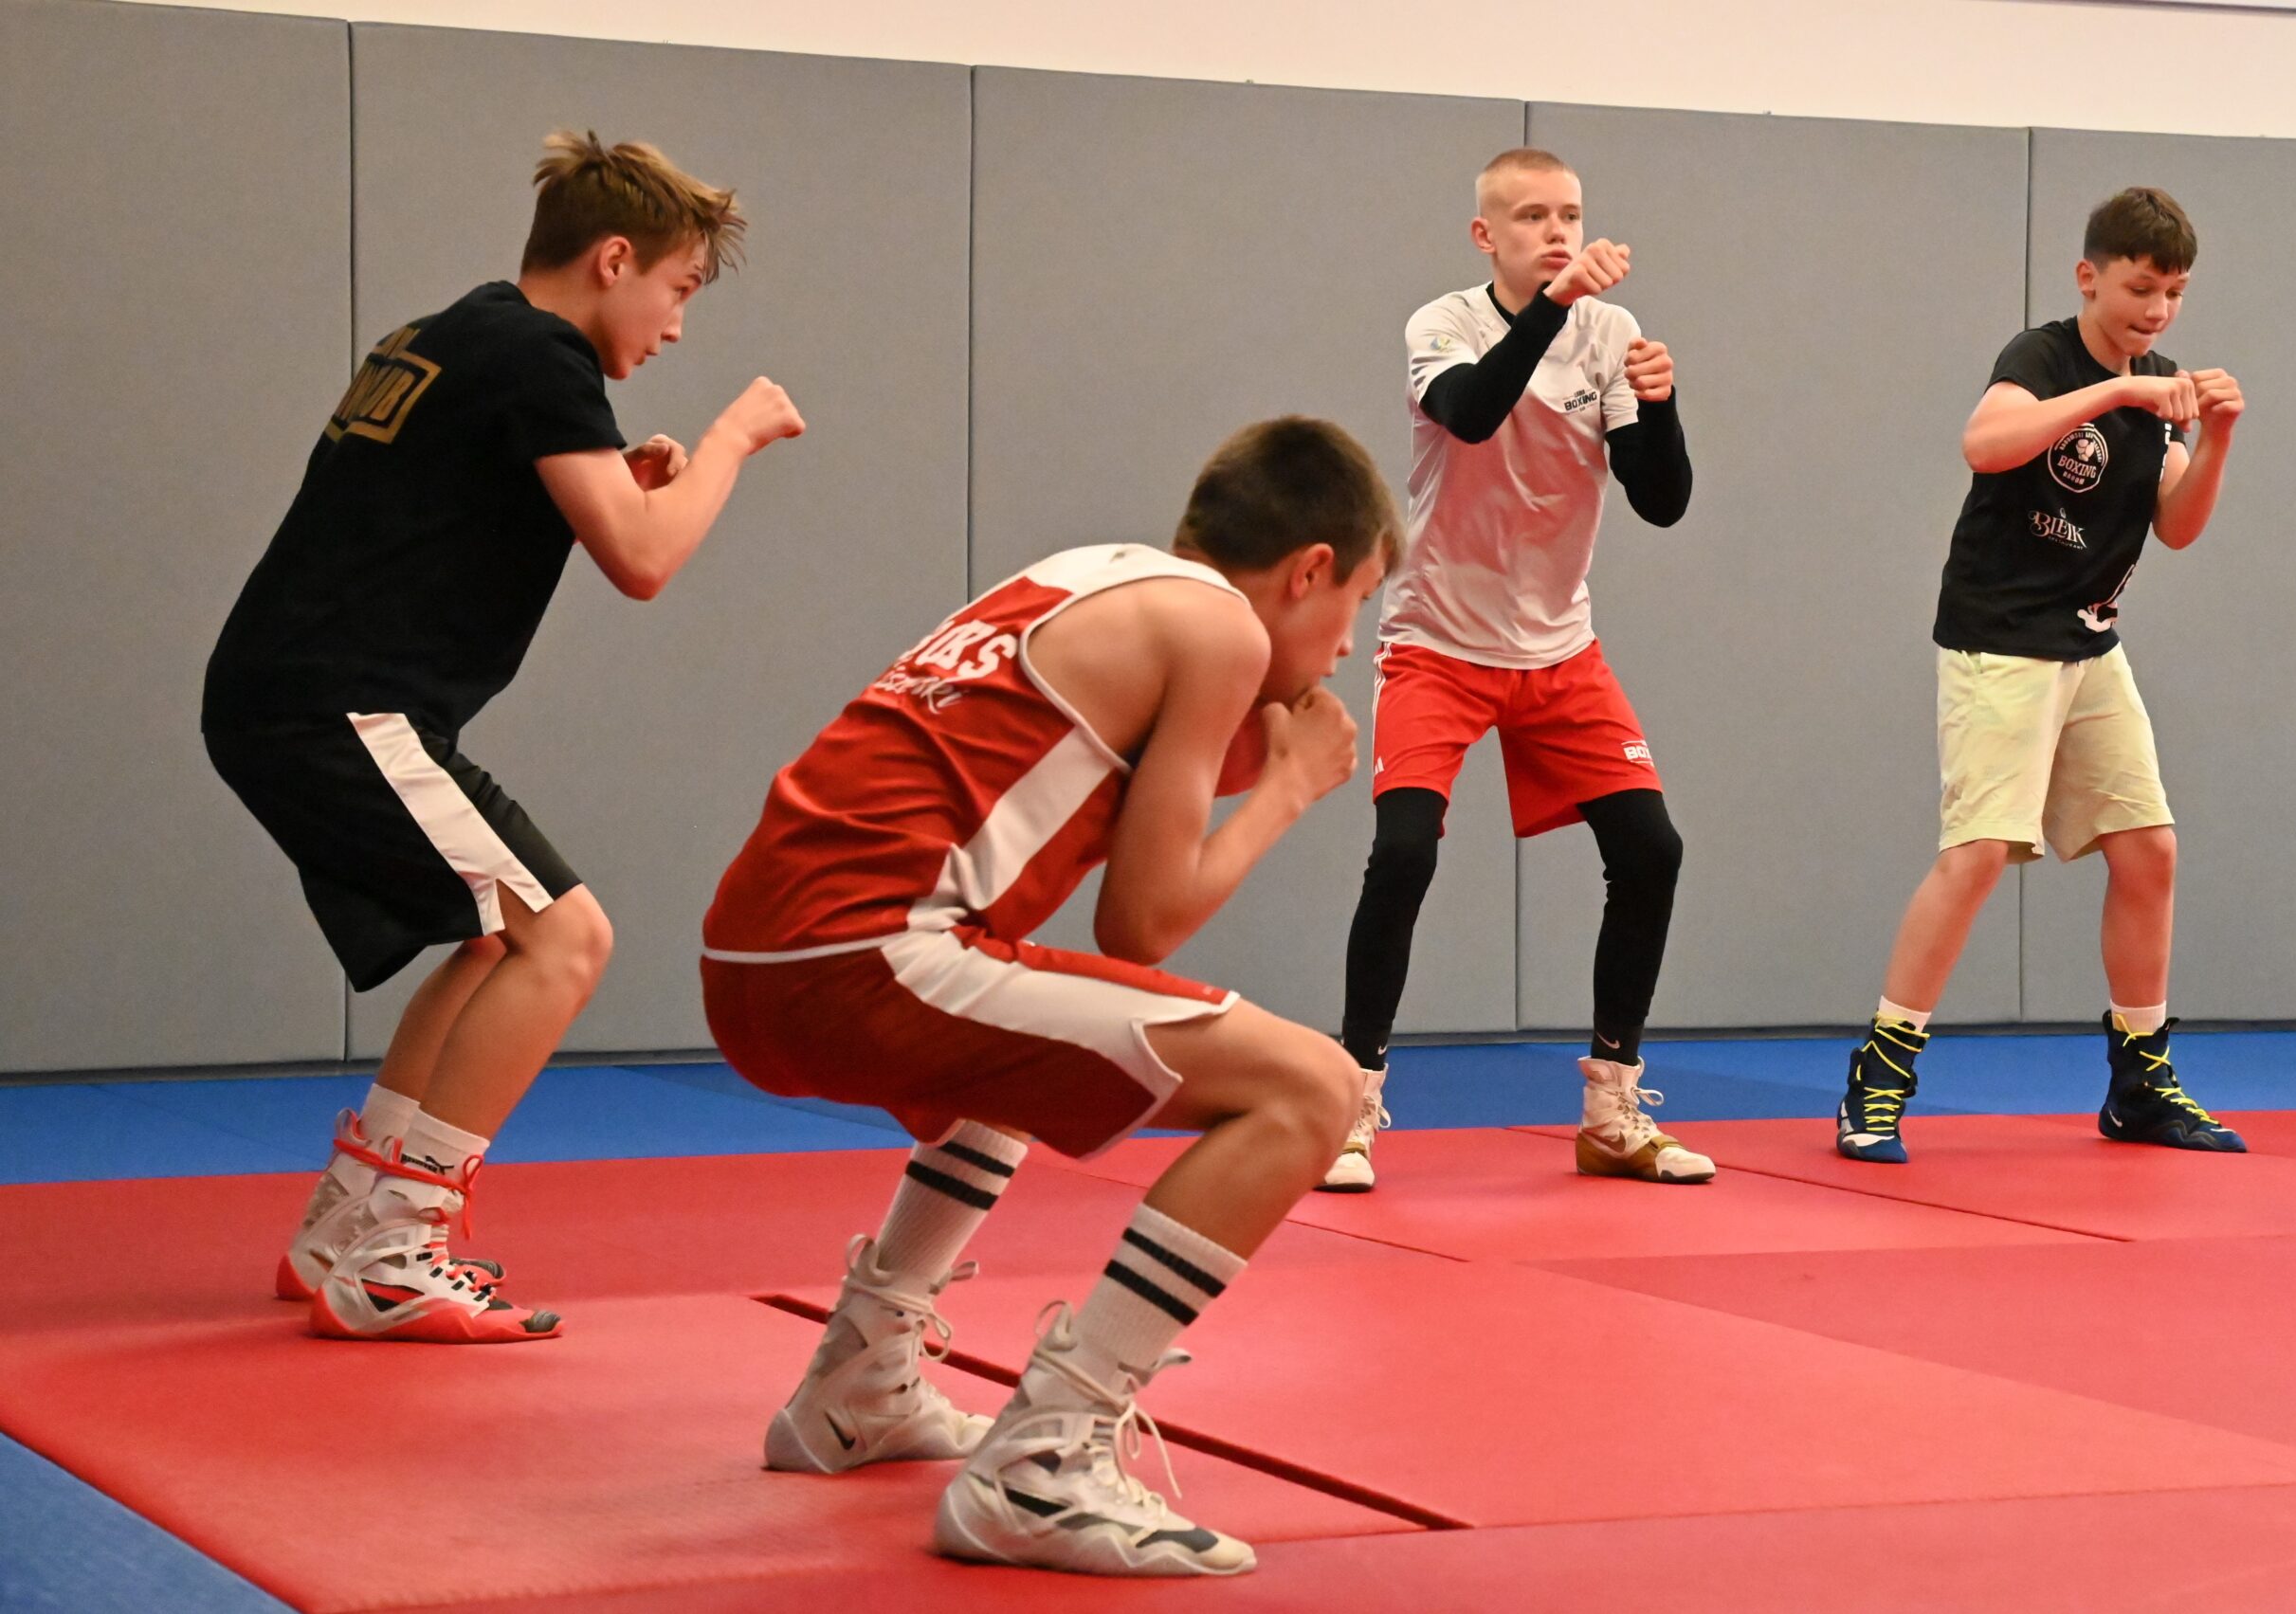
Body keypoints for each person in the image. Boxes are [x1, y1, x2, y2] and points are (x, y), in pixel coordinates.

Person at [701, 417, 1396, 1576]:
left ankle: (858, 1381)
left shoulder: (1083, 578)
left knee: (1016, 1026)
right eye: (1357, 604)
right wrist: (1286, 787)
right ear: (1309, 568)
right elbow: (1143, 925)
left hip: (752, 961)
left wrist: (1251, 741)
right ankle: (1044, 1463)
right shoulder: (1220, 627)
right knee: (1312, 1089)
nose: (1345, 646)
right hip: (861, 958)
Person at [201, 130, 802, 1341]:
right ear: (614, 259)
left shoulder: (450, 333)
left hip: (300, 694)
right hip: (340, 704)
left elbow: (457, 493)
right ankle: (396, 1247)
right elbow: (642, 558)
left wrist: (618, 473)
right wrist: (732, 441)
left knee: (489, 940)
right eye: (679, 288)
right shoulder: (539, 352)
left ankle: (345, 1226)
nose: (676, 327)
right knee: (565, 938)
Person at [1836, 186, 2247, 1165]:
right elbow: (1984, 443)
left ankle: (2139, 1080)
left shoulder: (2164, 385)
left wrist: (2217, 435)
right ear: (2088, 278)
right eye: (2140, 289)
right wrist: (2115, 393)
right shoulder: (2044, 357)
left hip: (2090, 643)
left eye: (2174, 294)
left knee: (2148, 848)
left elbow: (2178, 527)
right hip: (2000, 640)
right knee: (1978, 853)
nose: (2156, 311)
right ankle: (1879, 1072)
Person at [1328, 146, 1704, 1192]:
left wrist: (1662, 403)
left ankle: (1611, 1108)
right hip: (1437, 642)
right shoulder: (1442, 323)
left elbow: (1661, 500)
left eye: (1569, 215)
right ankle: (1348, 1104)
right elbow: (1472, 412)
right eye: (1531, 216)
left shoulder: (1609, 333)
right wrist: (1554, 305)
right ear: (1484, 235)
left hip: (1557, 649)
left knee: (1651, 850)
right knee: (1404, 851)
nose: (1556, 232)